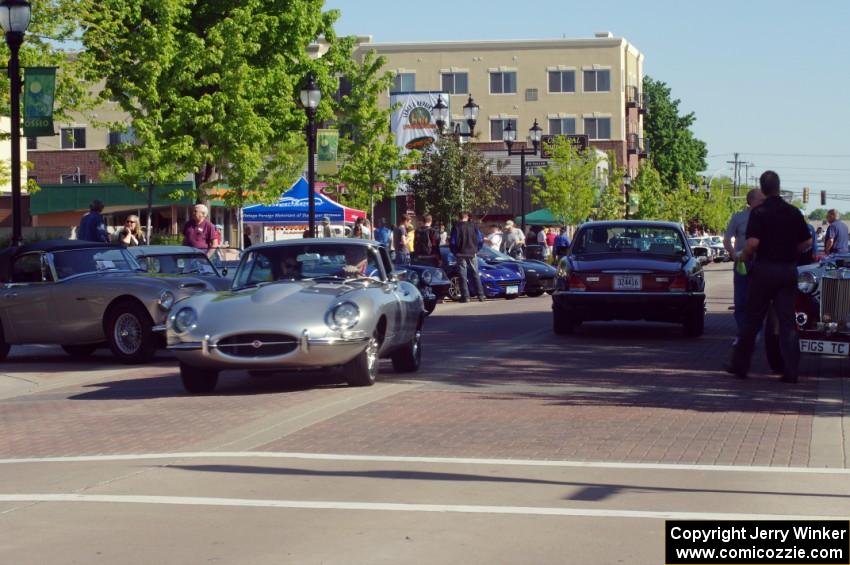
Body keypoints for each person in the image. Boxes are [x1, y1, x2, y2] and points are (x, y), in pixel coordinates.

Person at [728, 171, 812, 383]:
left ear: (763, 188)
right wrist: (791, 251)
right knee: (787, 323)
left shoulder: (759, 212)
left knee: (753, 318)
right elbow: (807, 242)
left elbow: (753, 243)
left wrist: (743, 256)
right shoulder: (793, 212)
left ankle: (740, 365)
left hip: (764, 270)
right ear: (778, 186)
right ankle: (791, 371)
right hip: (787, 271)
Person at [723, 188, 766, 331]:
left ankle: (755, 333)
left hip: (761, 263)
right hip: (742, 262)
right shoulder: (738, 217)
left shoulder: (768, 217)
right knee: (740, 302)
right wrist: (733, 253)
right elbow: (727, 239)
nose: (763, 202)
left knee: (758, 301)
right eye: (761, 200)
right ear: (752, 201)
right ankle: (743, 335)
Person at [450, 211, 486, 303]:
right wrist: (476, 249)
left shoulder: (456, 226)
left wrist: (455, 252)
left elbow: (453, 242)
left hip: (460, 253)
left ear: (459, 217)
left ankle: (465, 296)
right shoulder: (473, 226)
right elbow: (480, 239)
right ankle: (481, 295)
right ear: (467, 217)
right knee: (475, 273)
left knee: (462, 275)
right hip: (472, 252)